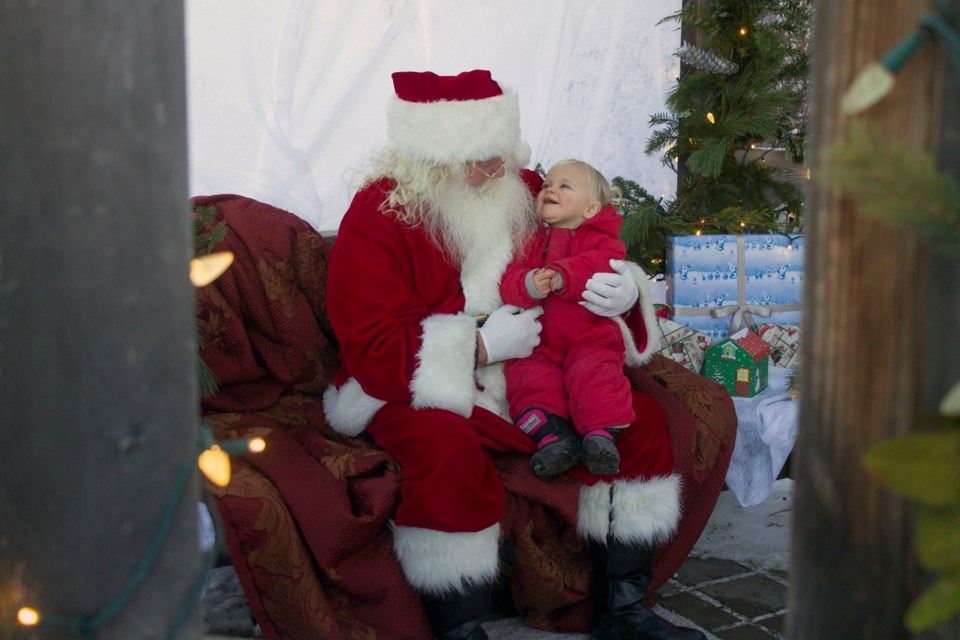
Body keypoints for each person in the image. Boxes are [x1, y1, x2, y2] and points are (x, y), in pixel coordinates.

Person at [324, 69, 705, 640]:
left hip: (542, 362)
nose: (501, 169)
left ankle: (623, 612)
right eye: (482, 159)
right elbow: (371, 343)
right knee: (445, 451)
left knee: (642, 423)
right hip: (422, 380)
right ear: (433, 162)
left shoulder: (524, 186)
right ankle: (460, 626)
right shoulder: (380, 214)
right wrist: (479, 347)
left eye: (502, 152)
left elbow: (593, 234)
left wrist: (625, 288)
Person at [500, 159, 634, 480]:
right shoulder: (532, 241)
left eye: (564, 186)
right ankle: (552, 437)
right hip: (540, 341)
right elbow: (509, 278)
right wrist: (528, 283)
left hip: (590, 337)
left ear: (589, 209)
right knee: (527, 378)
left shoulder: (601, 241)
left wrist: (564, 275)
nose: (550, 189)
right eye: (548, 183)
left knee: (595, 375)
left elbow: (603, 264)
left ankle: (600, 438)